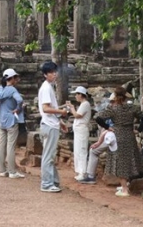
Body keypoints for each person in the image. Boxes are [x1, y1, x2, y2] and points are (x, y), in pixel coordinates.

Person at [94, 87, 143, 197]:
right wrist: (139, 130)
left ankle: (124, 189)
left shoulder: (113, 108)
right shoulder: (132, 107)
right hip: (129, 135)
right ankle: (126, 185)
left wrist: (107, 127)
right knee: (130, 159)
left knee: (120, 162)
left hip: (117, 135)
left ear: (115, 97)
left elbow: (98, 118)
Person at [38, 61, 68, 193]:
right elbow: (45, 108)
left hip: (51, 124)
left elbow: (50, 109)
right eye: (51, 72)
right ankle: (46, 183)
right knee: (48, 156)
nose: (54, 74)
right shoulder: (46, 88)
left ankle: (53, 181)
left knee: (50, 155)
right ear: (45, 74)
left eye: (55, 72)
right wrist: (61, 112)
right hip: (49, 126)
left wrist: (59, 121)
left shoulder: (49, 87)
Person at [0, 68, 25, 179]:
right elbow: (20, 100)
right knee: (10, 147)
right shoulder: (12, 90)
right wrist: (17, 109)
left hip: (1, 120)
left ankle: (2, 170)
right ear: (12, 78)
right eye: (16, 77)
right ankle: (12, 171)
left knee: (1, 146)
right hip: (11, 120)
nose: (17, 79)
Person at [79, 119, 119, 187]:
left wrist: (99, 141)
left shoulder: (112, 112)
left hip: (112, 138)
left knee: (93, 150)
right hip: (119, 137)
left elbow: (109, 129)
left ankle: (91, 176)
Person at [67, 85, 92, 182]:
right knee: (77, 150)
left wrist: (72, 108)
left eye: (77, 94)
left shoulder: (85, 104)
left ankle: (83, 172)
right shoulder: (82, 105)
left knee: (82, 151)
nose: (76, 96)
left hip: (82, 130)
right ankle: (79, 171)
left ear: (81, 95)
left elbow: (77, 115)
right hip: (78, 130)